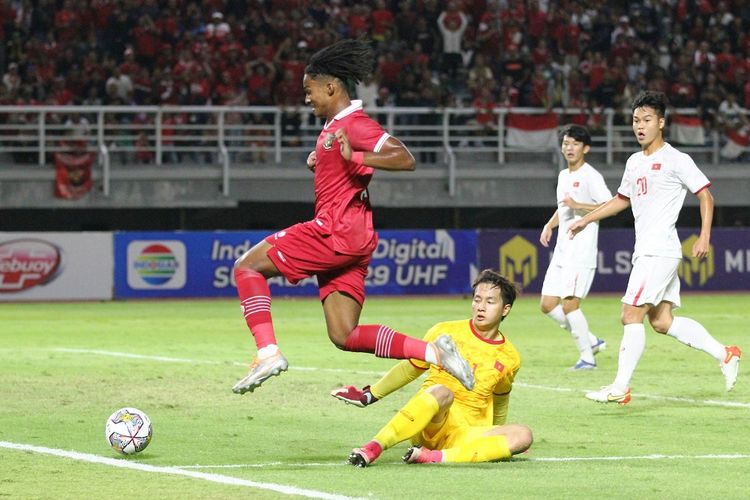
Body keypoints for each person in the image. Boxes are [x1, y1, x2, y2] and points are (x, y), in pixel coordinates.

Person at [231, 39, 474, 396]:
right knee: (344, 335)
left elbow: (405, 158)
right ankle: (436, 352)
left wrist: (356, 158)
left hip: (334, 232)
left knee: (246, 267)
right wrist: (323, 161)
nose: (306, 98)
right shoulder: (333, 127)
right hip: (355, 237)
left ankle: (267, 353)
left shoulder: (355, 124)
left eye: (309, 90)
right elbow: (342, 167)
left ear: (331, 86)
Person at [568, 91, 741, 405]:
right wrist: (586, 219)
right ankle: (725, 354)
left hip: (659, 250)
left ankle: (620, 387)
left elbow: (706, 196)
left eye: (647, 120)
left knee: (630, 314)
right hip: (647, 251)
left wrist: (704, 236)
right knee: (662, 322)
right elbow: (621, 200)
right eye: (636, 120)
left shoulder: (676, 159)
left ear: (661, 122)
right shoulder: (635, 162)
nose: (640, 126)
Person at [331, 269, 533, 467]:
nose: (480, 307)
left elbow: (500, 399)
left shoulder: (510, 356)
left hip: (467, 433)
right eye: (477, 299)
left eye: (490, 302)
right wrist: (371, 394)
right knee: (443, 392)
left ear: (505, 309)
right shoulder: (445, 332)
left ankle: (434, 457)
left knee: (523, 435)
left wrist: (500, 431)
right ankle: (373, 447)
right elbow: (410, 369)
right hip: (431, 422)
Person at [539, 125, 612, 370]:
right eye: (566, 143)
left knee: (570, 305)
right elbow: (563, 208)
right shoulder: (563, 176)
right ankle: (591, 341)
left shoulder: (591, 176)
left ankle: (587, 359)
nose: (569, 148)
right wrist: (550, 225)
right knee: (548, 305)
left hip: (581, 251)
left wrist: (579, 204)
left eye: (575, 144)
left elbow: (608, 205)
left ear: (586, 148)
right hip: (562, 250)